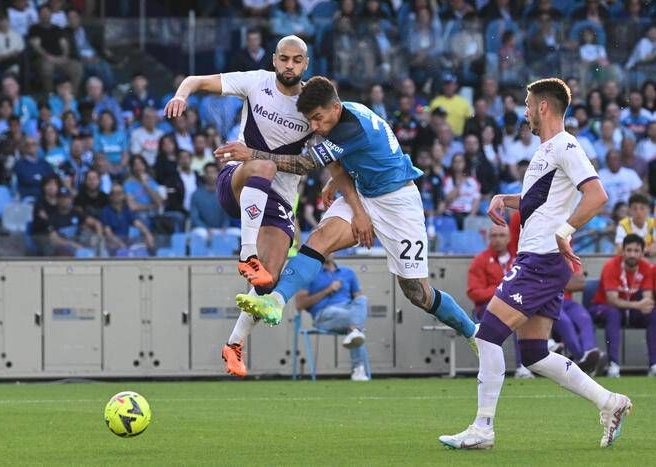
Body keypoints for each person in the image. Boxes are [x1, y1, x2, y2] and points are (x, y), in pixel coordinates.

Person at [218, 76, 478, 368]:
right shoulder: (341, 116)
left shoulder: (352, 127)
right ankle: (275, 301)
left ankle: (472, 332)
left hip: (398, 202)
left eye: (317, 118)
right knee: (319, 240)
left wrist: (252, 154)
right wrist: (344, 192)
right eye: (310, 120)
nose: (314, 126)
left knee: (417, 293)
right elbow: (343, 162)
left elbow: (304, 164)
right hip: (366, 190)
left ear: (335, 107)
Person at [439, 78, 630, 450]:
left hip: (541, 259)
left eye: (528, 105)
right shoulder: (546, 151)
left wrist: (565, 231)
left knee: (487, 334)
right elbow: (539, 200)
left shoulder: (566, 145)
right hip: (539, 258)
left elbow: (597, 195)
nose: (525, 112)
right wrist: (504, 198)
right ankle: (609, 401)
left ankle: (482, 428)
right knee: (534, 353)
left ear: (543, 106)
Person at [164, 35, 314, 377]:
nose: (289, 65)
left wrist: (335, 180)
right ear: (274, 59)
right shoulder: (256, 81)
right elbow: (196, 80)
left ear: (306, 64)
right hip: (238, 180)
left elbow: (317, 160)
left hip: (279, 200)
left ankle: (233, 344)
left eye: (297, 60)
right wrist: (181, 95)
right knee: (264, 166)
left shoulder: (313, 103)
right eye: (284, 58)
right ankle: (248, 254)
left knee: (267, 283)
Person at [467, 223, 532, 378]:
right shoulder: (480, 260)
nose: (498, 239)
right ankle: (492, 370)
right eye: (494, 236)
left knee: (525, 316)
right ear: (488, 238)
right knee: (514, 317)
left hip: (518, 305)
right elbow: (474, 292)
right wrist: (501, 290)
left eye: (502, 235)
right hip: (487, 308)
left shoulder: (519, 259)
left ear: (509, 238)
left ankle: (525, 365)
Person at [294, 254, 371, 381]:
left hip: (348, 310)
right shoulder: (310, 274)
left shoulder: (348, 272)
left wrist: (356, 310)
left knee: (362, 300)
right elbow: (299, 304)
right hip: (324, 315)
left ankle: (355, 330)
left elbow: (358, 298)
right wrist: (328, 290)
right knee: (354, 324)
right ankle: (358, 368)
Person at [590, 234, 656, 378]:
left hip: (629, 310)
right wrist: (638, 304)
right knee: (613, 313)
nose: (632, 254)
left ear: (642, 252)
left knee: (653, 314)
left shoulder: (646, 267)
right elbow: (612, 300)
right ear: (623, 251)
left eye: (636, 251)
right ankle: (613, 365)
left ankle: (654, 365)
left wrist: (645, 304)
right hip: (603, 307)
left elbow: (647, 298)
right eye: (629, 250)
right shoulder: (611, 266)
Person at [101, 183, 155, 255]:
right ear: (110, 196)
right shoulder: (106, 211)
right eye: (114, 193)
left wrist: (148, 234)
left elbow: (138, 224)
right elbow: (108, 233)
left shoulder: (126, 210)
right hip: (111, 246)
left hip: (125, 243)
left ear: (123, 195)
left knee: (144, 247)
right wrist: (120, 244)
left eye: (119, 193)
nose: (116, 195)